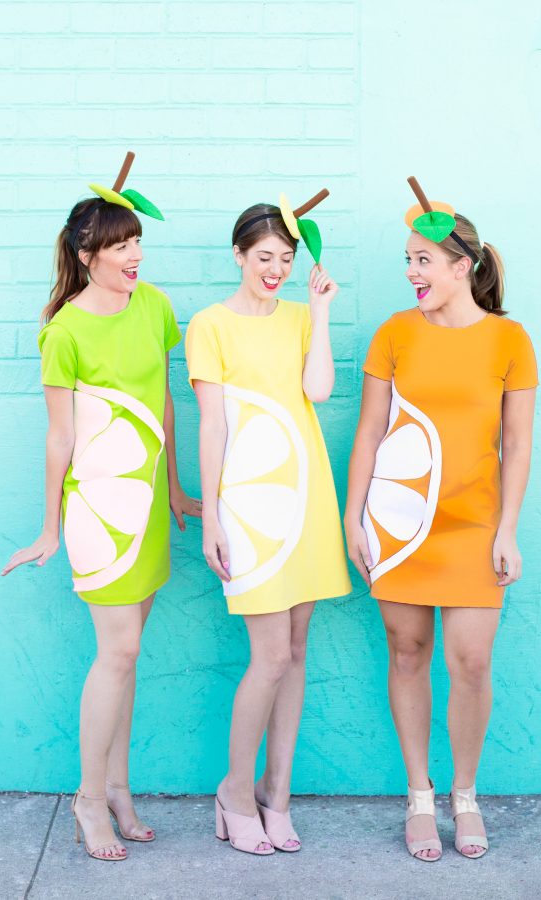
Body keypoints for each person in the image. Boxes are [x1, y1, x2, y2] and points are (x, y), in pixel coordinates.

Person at [2, 163, 201, 861]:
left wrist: (175, 489)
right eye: (119, 247)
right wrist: (50, 526)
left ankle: (117, 788)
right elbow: (61, 436)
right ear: (87, 257)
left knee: (129, 654)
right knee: (118, 651)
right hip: (97, 508)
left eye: (137, 241)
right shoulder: (64, 332)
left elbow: (165, 403)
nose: (134, 256)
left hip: (148, 506)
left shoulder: (154, 307)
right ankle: (89, 800)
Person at [344, 178, 537, 862]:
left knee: (472, 661)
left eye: (422, 261)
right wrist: (353, 520)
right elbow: (368, 435)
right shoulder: (395, 334)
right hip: (399, 528)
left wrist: (507, 528)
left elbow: (516, 444)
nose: (410, 272)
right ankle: (420, 795)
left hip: (475, 526)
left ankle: (465, 793)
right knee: (408, 654)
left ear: (464, 267)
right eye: (407, 260)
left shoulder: (510, 340)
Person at [185, 193, 351, 855]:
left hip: (307, 495)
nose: (275, 268)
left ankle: (276, 796)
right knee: (270, 655)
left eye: (285, 258)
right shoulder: (209, 325)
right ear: (238, 254)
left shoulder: (297, 315)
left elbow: (317, 391)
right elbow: (213, 424)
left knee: (299, 650)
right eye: (264, 257)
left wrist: (319, 310)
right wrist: (213, 517)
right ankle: (234, 788)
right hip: (252, 509)